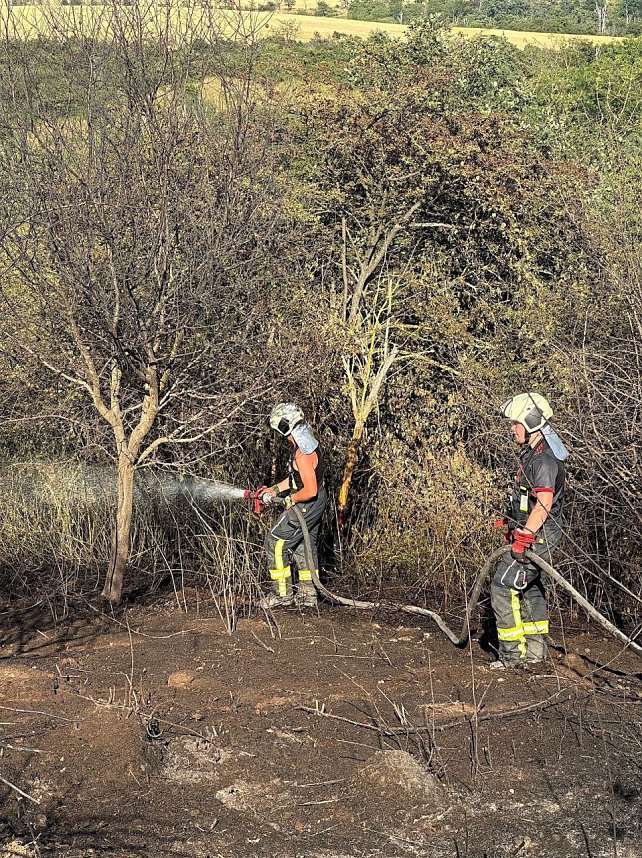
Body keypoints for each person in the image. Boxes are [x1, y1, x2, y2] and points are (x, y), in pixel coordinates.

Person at [490, 393, 569, 669]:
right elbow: (529, 499)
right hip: (535, 531)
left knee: (502, 587)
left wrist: (524, 538)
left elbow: (544, 504)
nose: (512, 429)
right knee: (530, 586)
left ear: (531, 422)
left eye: (515, 423)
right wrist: (514, 524)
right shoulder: (535, 452)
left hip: (541, 535)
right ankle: (535, 653)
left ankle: (512, 656)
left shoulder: (545, 459)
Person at [257, 403, 327, 610]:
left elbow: (309, 490)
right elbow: (297, 479)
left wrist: (291, 499)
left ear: (285, 427)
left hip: (308, 504)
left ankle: (281, 594)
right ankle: (307, 594)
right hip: (316, 503)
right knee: (303, 544)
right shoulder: (308, 444)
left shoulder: (301, 455)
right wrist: (275, 490)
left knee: (276, 542)